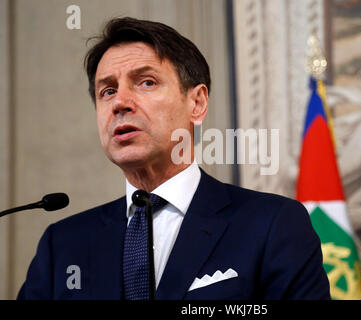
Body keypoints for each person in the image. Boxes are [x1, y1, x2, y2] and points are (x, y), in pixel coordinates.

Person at [17, 17, 330, 300]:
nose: (120, 103)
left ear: (197, 103)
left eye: (146, 82)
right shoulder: (62, 245)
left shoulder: (273, 224)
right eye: (108, 91)